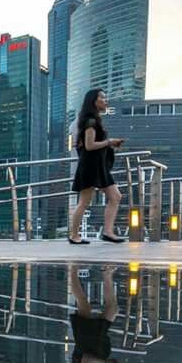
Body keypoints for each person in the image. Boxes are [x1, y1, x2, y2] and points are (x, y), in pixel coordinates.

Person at [68, 88, 126, 245]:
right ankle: (74, 235)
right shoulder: (90, 121)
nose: (105, 100)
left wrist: (110, 145)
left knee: (116, 196)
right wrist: (110, 142)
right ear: (94, 101)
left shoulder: (94, 120)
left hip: (99, 166)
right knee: (85, 201)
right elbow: (89, 145)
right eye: (102, 98)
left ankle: (107, 232)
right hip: (90, 166)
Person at [67, 264, 121, 363]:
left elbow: (86, 359)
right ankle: (106, 274)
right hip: (94, 339)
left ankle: (72, 270)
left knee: (84, 304)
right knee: (112, 308)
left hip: (88, 338)